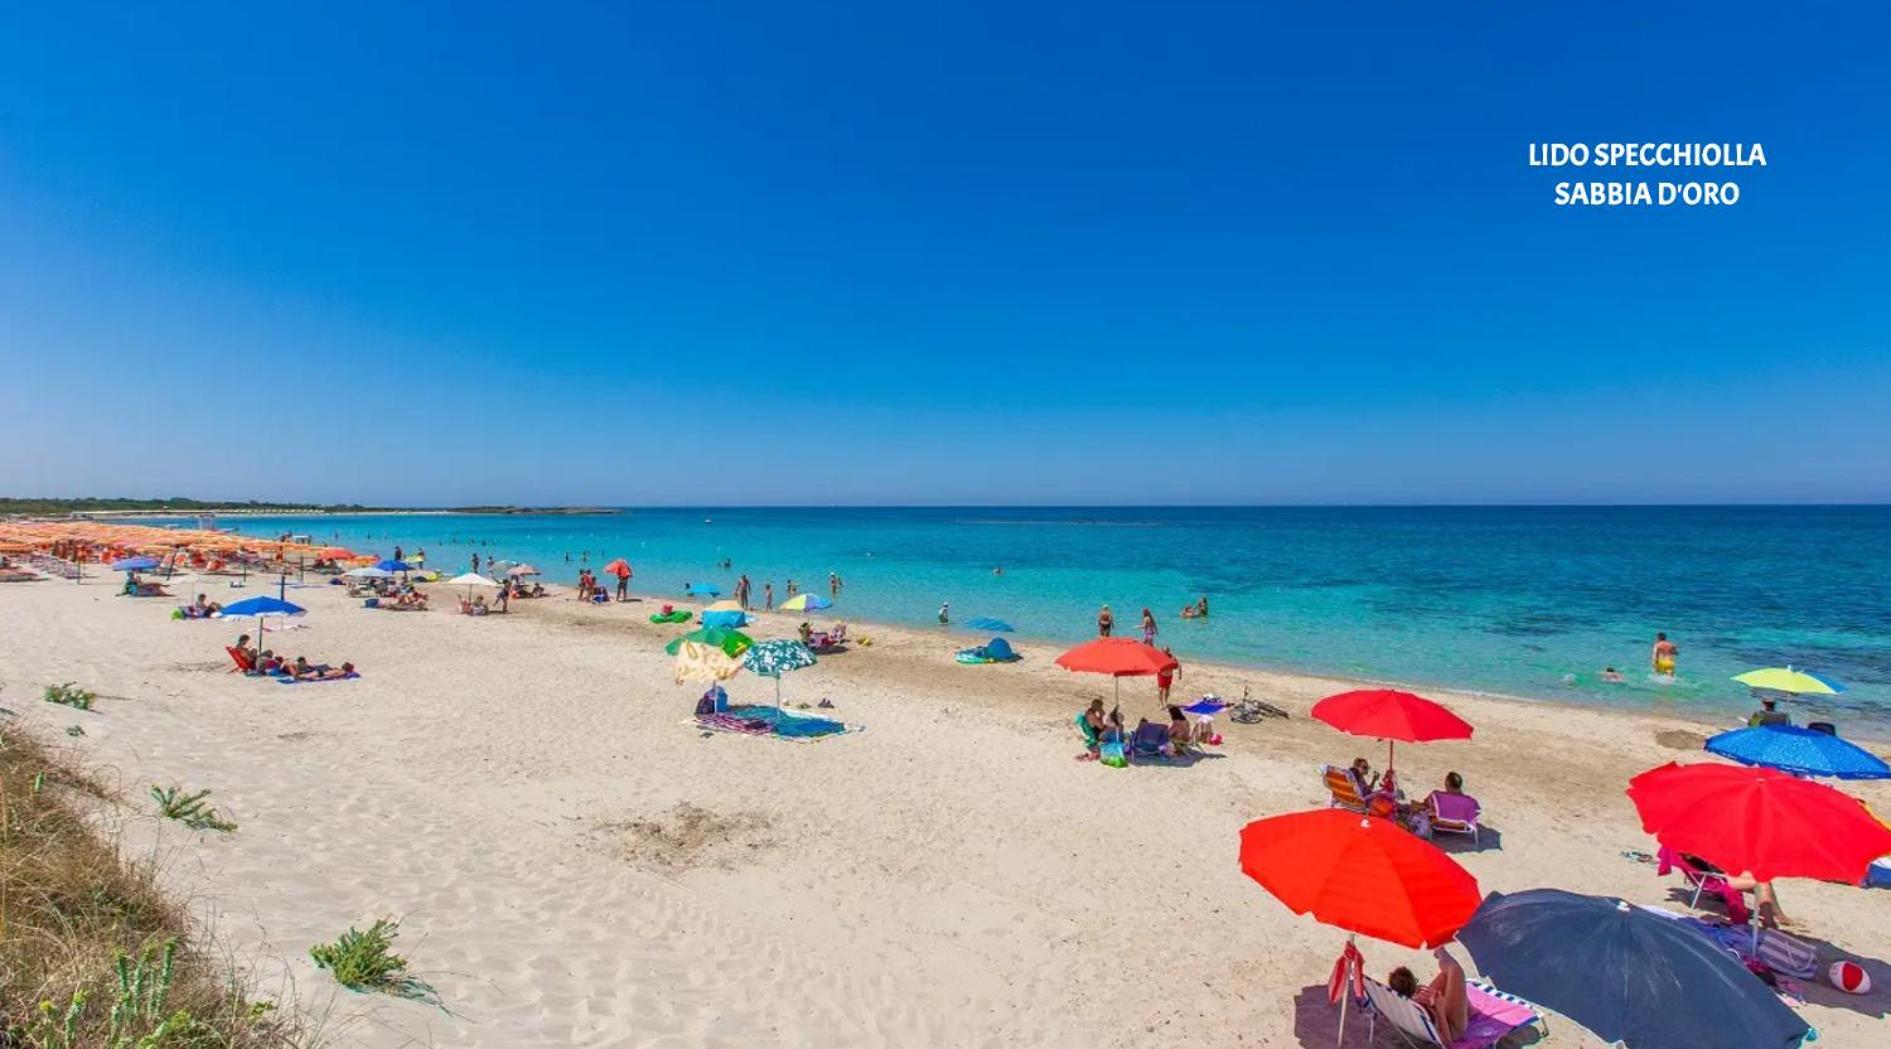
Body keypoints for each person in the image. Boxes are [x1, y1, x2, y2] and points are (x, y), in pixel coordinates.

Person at [1388, 949, 1470, 1043]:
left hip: (1434, 1016)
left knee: (1445, 976)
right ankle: (1440, 951)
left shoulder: (1397, 1005)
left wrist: (1432, 1007)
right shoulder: (1417, 1011)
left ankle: (1441, 952)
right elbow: (1447, 1040)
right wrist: (1439, 1009)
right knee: (1455, 970)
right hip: (1452, 1028)